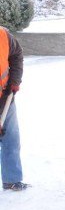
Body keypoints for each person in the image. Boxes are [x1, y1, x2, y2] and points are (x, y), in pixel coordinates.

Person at [0, 26, 28, 191]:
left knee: (11, 140)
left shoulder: (3, 35)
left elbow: (16, 55)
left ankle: (11, 180)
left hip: (5, 97)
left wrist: (14, 81)